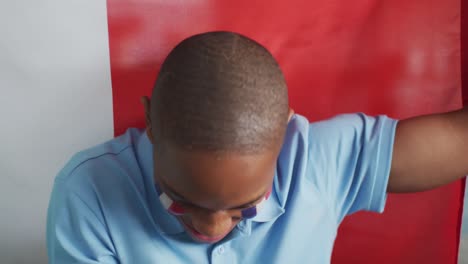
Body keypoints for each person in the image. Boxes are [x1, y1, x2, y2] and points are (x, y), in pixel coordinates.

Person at [46, 31, 468, 263]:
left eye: (245, 207)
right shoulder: (89, 194)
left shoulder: (315, 161)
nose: (211, 229)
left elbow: (456, 142)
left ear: (283, 137)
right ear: (152, 123)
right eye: (178, 200)